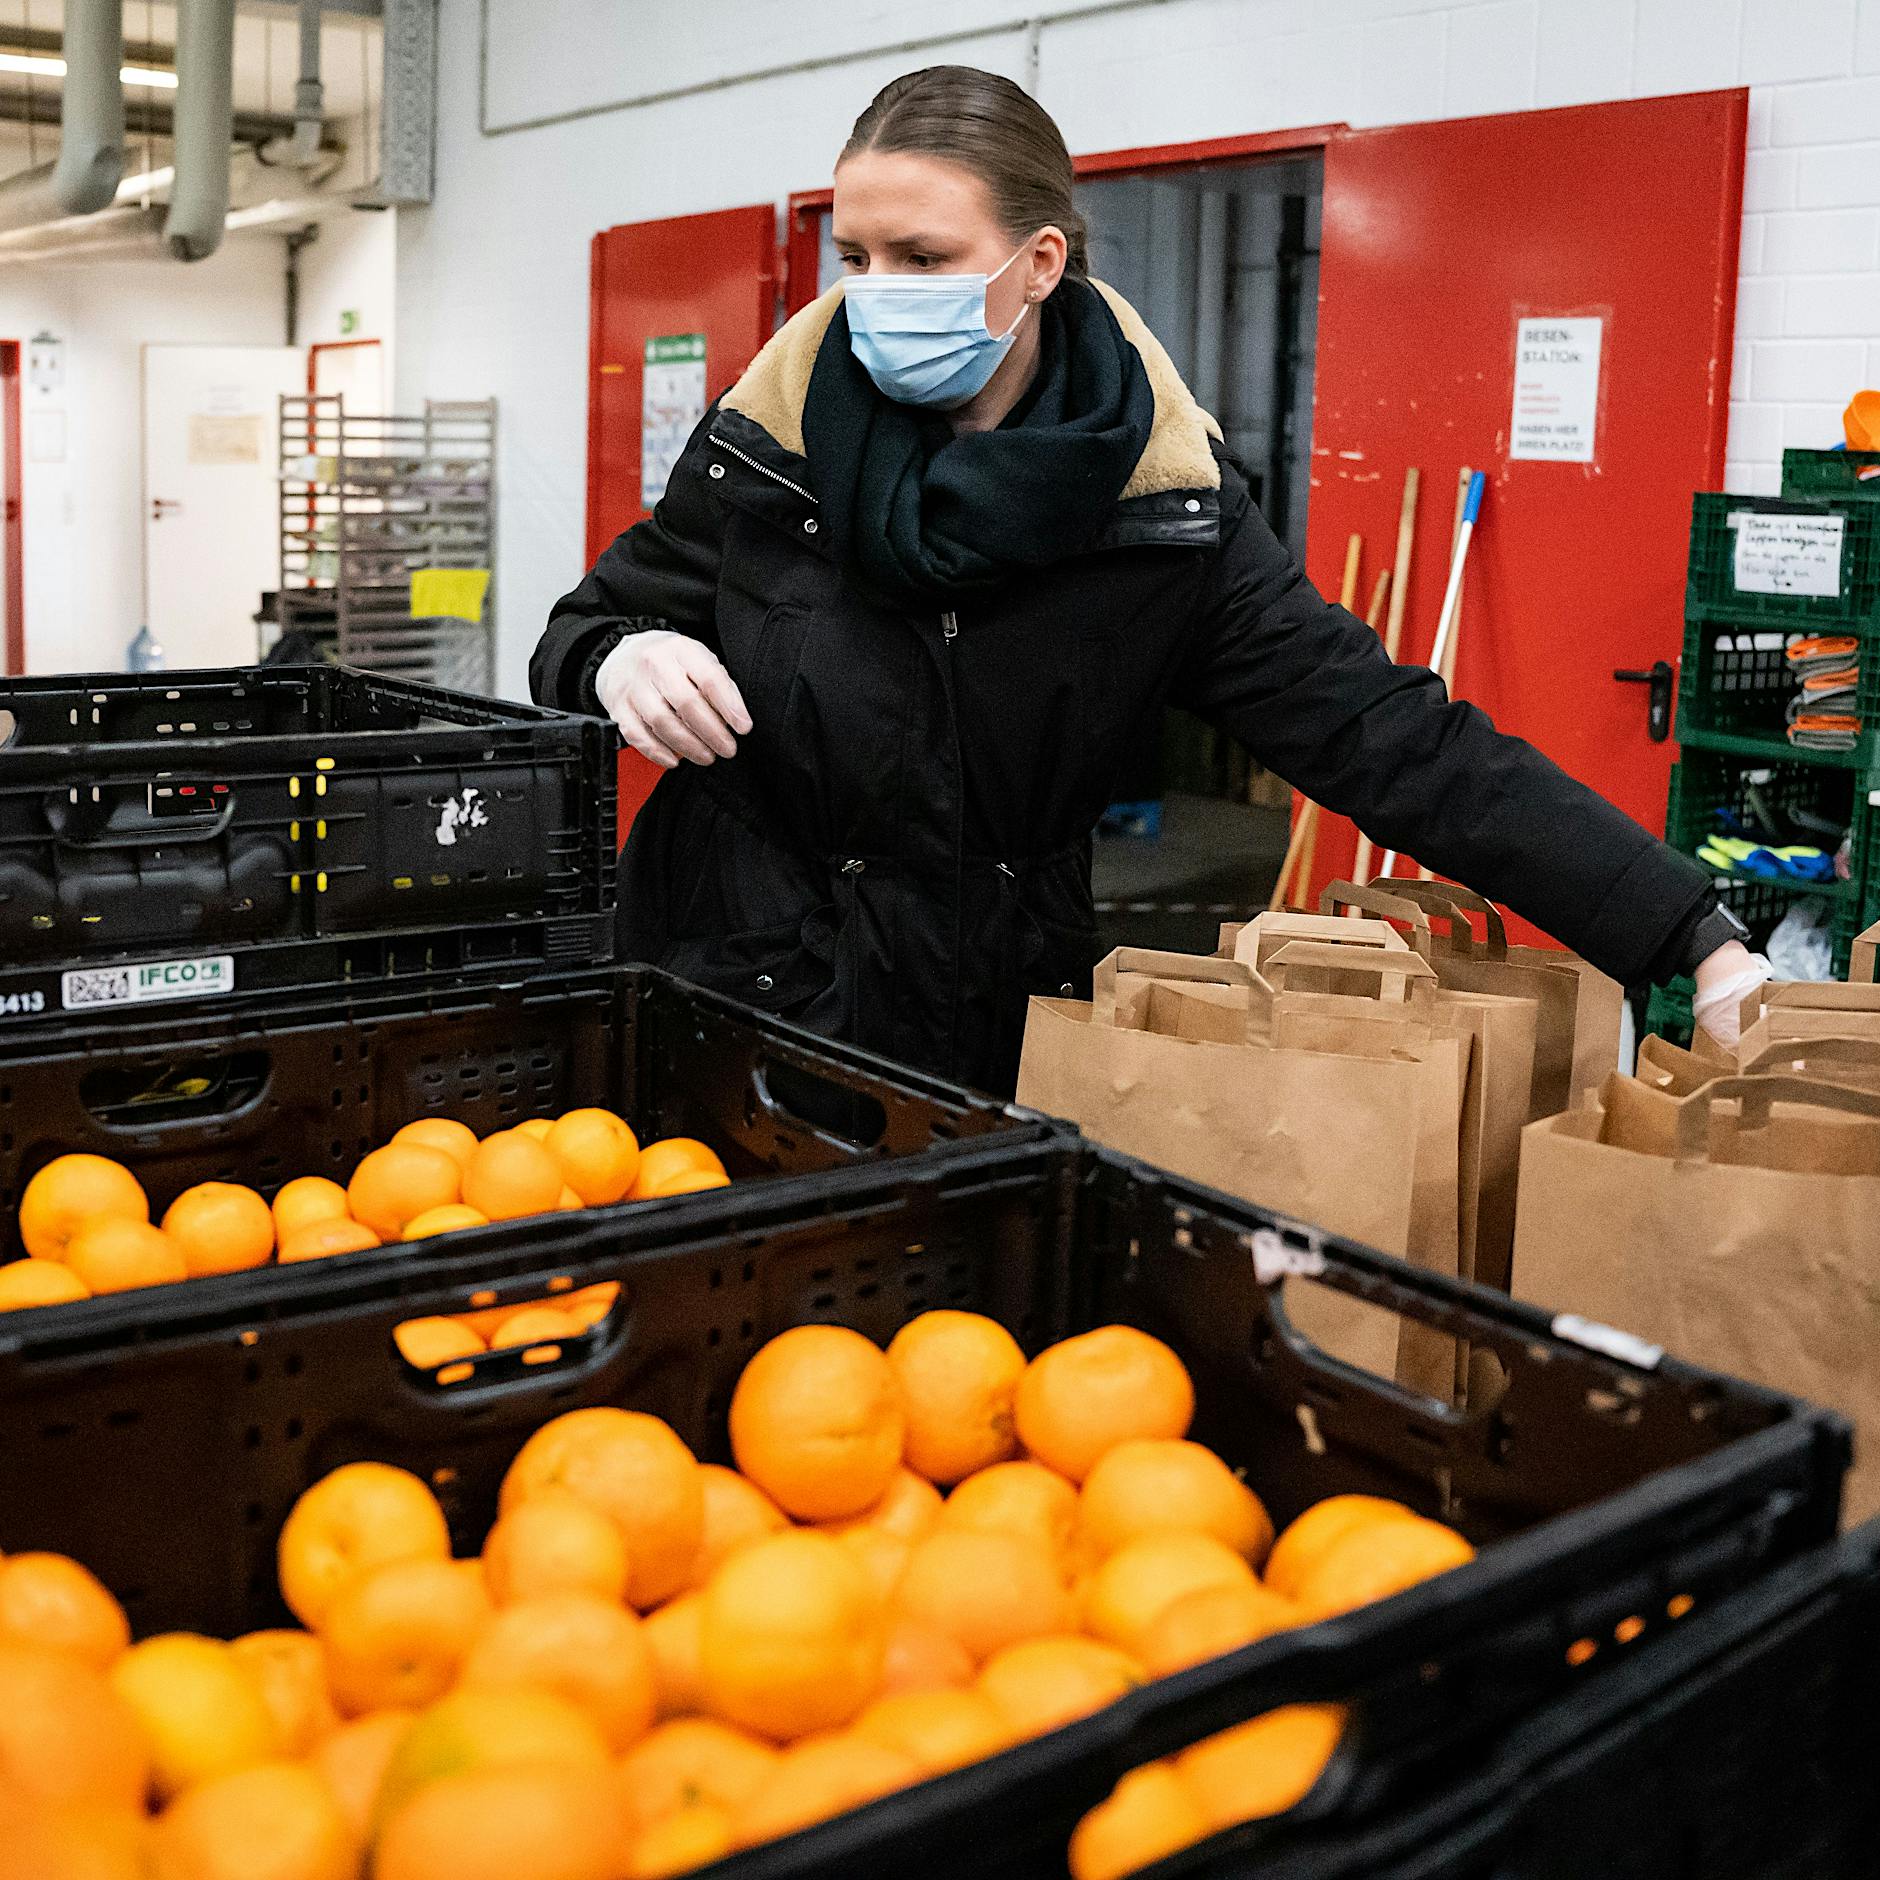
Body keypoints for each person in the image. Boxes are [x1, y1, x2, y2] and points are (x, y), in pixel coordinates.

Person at [533, 65, 1761, 1098]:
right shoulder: (770, 441)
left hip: (989, 1018)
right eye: (854, 253)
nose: (876, 293)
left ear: (1036, 264)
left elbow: (1390, 737)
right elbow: (585, 627)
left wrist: (1683, 935)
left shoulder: (1159, 513)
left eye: (922, 254)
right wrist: (618, 655)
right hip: (732, 988)